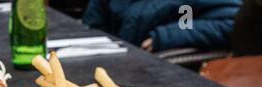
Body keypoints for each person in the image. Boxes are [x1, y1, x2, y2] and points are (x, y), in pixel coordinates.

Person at [83, 0, 243, 52]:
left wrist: (167, 35)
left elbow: (230, 23)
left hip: (155, 67)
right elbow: (93, 20)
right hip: (103, 52)